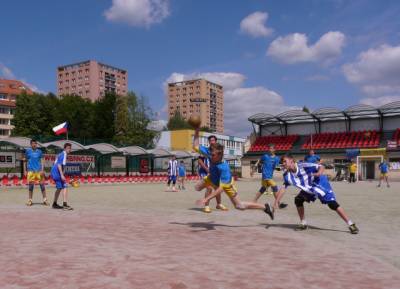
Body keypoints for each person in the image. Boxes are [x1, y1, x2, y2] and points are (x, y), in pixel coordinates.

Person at [273, 154, 359, 234]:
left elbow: (321, 166)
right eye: (282, 162)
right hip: (309, 188)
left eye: (285, 161)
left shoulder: (303, 165)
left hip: (320, 183)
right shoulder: (287, 175)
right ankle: (303, 223)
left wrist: (318, 173)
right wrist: (276, 202)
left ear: (291, 160)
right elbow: (283, 188)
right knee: (298, 200)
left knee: (332, 204)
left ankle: (351, 224)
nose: (283, 163)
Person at [196, 143, 274, 220]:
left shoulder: (224, 168)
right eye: (211, 154)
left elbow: (220, 189)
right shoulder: (212, 154)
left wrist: (206, 199)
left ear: (219, 155)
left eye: (213, 155)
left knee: (239, 206)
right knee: (197, 187)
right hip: (212, 178)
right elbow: (195, 146)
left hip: (226, 184)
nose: (211, 157)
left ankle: (265, 207)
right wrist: (196, 131)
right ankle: (213, 195)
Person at [193, 130, 228, 213]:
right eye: (210, 140)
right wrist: (206, 169)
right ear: (208, 142)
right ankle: (207, 205)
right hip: (207, 172)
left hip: (216, 173)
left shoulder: (219, 150)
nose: (211, 142)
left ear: (216, 141)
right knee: (209, 188)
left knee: (217, 188)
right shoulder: (206, 150)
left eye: (213, 140)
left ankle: (219, 204)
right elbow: (200, 160)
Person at [253, 144, 288, 209]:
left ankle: (254, 201)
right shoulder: (265, 156)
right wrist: (254, 169)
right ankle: (279, 203)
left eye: (271, 148)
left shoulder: (276, 158)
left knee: (263, 189)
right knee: (274, 186)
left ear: (274, 150)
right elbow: (259, 162)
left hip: (270, 176)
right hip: (265, 175)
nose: (270, 150)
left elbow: (277, 167)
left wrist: (284, 168)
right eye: (269, 148)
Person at [24, 139, 49, 206]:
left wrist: (42, 170)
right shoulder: (27, 151)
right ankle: (30, 200)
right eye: (33, 143)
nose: (34, 144)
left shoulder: (39, 151)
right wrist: (25, 170)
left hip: (39, 171)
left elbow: (42, 161)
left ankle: (45, 200)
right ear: (31, 144)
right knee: (31, 186)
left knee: (42, 186)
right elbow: (25, 161)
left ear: (36, 144)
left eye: (35, 143)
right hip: (31, 171)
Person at [50, 143, 73, 210]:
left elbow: (59, 164)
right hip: (56, 172)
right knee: (65, 186)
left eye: (70, 148)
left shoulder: (61, 154)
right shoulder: (63, 154)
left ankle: (54, 204)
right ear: (65, 148)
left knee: (59, 188)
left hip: (54, 172)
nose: (69, 150)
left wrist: (62, 173)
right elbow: (59, 165)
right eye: (68, 148)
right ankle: (65, 204)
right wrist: (62, 175)